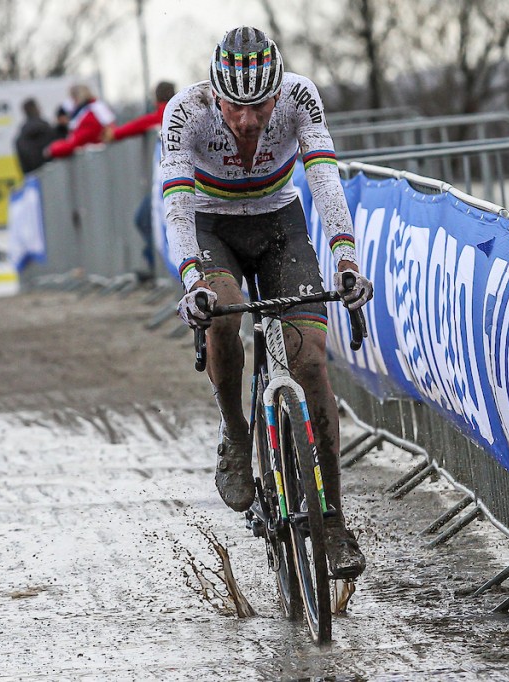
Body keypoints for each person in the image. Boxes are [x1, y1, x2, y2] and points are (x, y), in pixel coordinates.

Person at [161, 27, 373, 579]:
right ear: (215, 93)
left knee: (309, 363)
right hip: (212, 229)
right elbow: (178, 207)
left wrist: (346, 258)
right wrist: (192, 282)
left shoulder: (301, 97)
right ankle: (236, 434)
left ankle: (330, 522)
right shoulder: (186, 113)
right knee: (223, 316)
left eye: (260, 106)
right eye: (235, 106)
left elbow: (324, 181)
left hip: (280, 225)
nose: (248, 121)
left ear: (278, 93)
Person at [101, 81, 177, 281]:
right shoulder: (177, 110)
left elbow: (140, 124)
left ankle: (158, 270)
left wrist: (115, 133)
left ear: (156, 98)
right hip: (175, 182)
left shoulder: (165, 113)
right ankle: (159, 269)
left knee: (146, 219)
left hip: (168, 183)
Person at [45, 83, 116, 159]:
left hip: (96, 159)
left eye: (72, 98)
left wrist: (53, 150)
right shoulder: (96, 108)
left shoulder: (89, 115)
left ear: (77, 97)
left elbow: (75, 142)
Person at [14, 98, 56, 175]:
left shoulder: (22, 135)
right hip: (51, 171)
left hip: (33, 175)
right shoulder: (46, 128)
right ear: (37, 109)